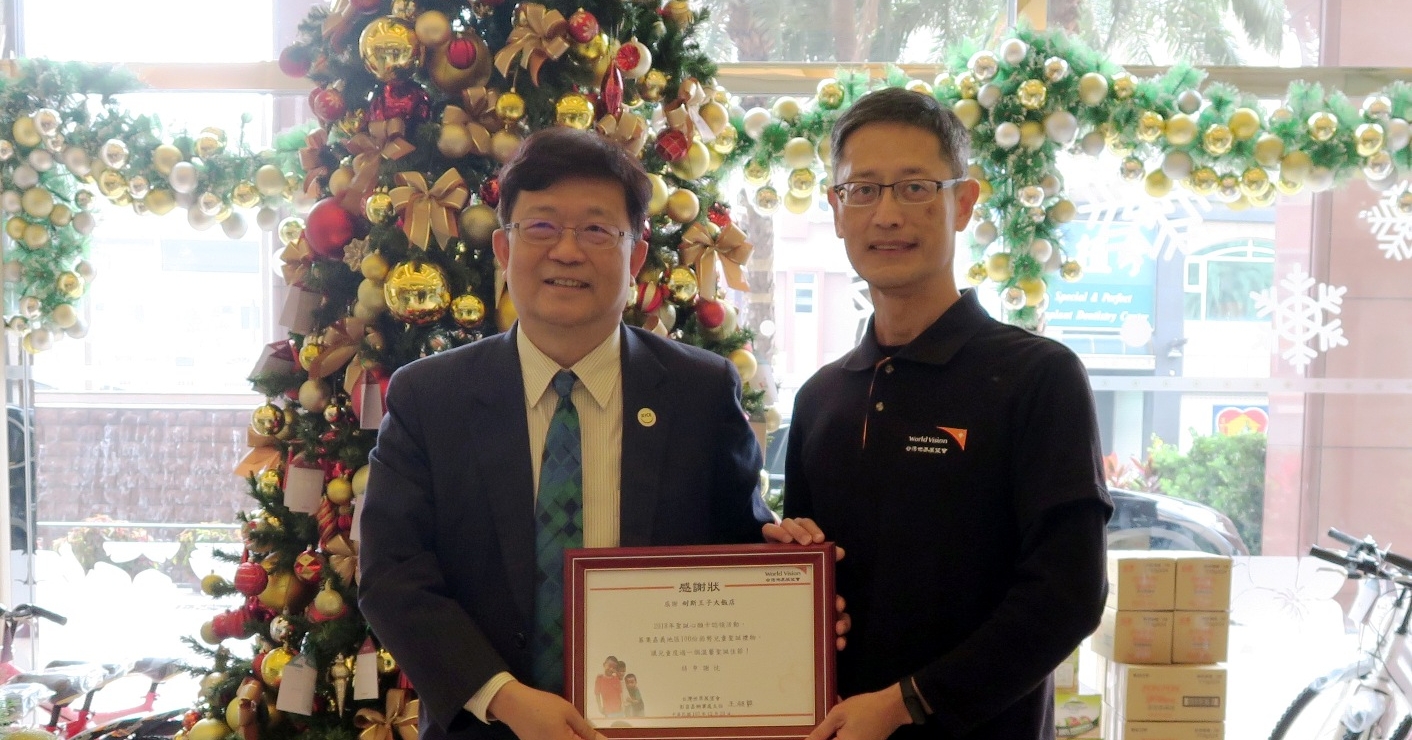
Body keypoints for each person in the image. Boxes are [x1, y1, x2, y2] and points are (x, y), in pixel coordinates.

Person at [358, 127, 789, 740]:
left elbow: (739, 547)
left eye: (596, 230)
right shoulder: (431, 397)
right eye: (540, 227)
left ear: (635, 258)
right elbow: (392, 574)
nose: (566, 251)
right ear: (504, 248)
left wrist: (788, 564)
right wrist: (506, 699)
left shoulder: (699, 391)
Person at [783, 87, 1112, 740]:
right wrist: (792, 572)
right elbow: (814, 588)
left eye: (915, 188)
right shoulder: (820, 398)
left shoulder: (1037, 377)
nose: (886, 215)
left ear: (963, 203)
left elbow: (1068, 595)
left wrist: (905, 703)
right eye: (863, 190)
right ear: (837, 209)